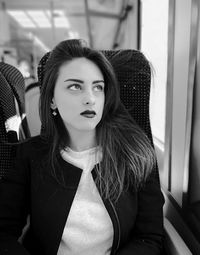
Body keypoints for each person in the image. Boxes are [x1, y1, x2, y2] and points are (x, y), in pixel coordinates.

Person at [0, 39, 164, 255]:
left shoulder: (136, 154)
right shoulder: (30, 156)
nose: (90, 99)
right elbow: (3, 234)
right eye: (75, 86)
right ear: (52, 100)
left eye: (98, 87)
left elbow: (149, 238)